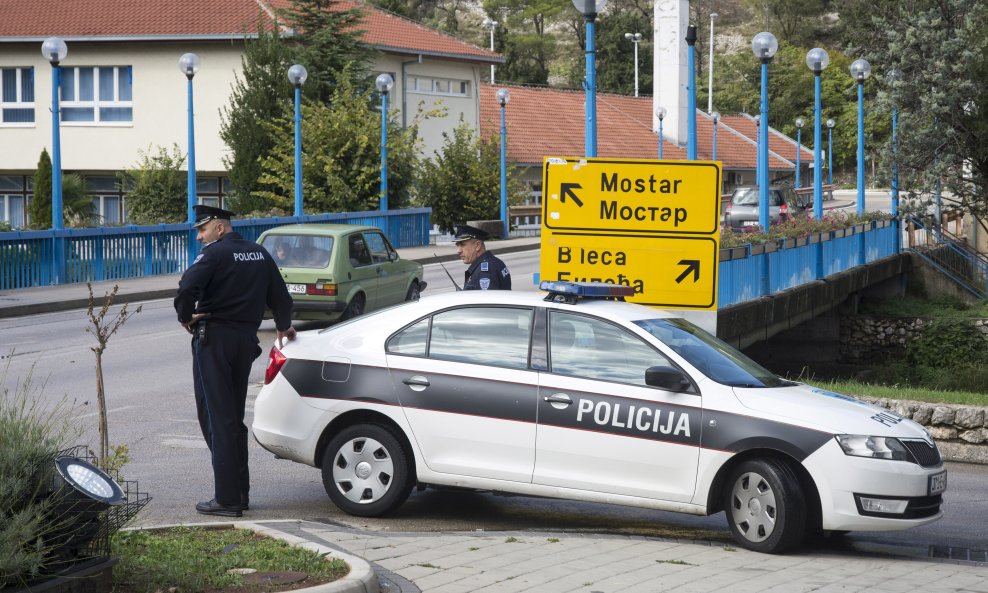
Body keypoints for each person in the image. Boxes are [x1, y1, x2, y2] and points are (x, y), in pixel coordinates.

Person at [174, 204, 297, 518]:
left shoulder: (214, 254)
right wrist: (284, 325)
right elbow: (280, 295)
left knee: (217, 418)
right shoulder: (258, 253)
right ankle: (239, 493)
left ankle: (227, 499)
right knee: (232, 417)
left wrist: (186, 317)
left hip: (214, 341)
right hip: (244, 342)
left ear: (218, 227)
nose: (200, 237)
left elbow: (186, 288)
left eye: (202, 230)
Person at [453, 224, 511, 290]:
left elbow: (485, 300)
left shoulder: (484, 273)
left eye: (462, 245)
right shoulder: (495, 262)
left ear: (477, 245)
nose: (458, 250)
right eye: (457, 245)